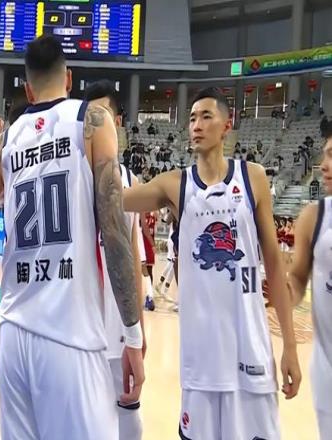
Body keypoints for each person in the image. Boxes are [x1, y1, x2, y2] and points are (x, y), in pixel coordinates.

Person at [0, 36, 144, 439]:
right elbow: (114, 231)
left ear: (27, 90)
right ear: (69, 79)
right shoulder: (92, 121)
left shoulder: (9, 137)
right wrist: (132, 333)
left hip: (12, 334)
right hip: (69, 336)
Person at [124, 87, 301, 439]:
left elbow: (274, 266)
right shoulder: (175, 184)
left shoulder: (253, 178)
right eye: (192, 118)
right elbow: (119, 200)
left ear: (227, 125)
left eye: (206, 116)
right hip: (201, 361)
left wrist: (291, 348)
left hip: (251, 354)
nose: (197, 125)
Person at [85, 79, 145, 440]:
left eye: (103, 113)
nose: (95, 123)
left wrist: (138, 330)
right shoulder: (73, 177)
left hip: (118, 330)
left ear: (118, 121)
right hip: (79, 331)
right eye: (89, 116)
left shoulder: (131, 182)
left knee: (128, 422)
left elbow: (134, 259)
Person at [288, 118, 332, 439]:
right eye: (325, 155)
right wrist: (277, 290)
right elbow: (296, 284)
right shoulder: (313, 218)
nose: (323, 165)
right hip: (327, 374)